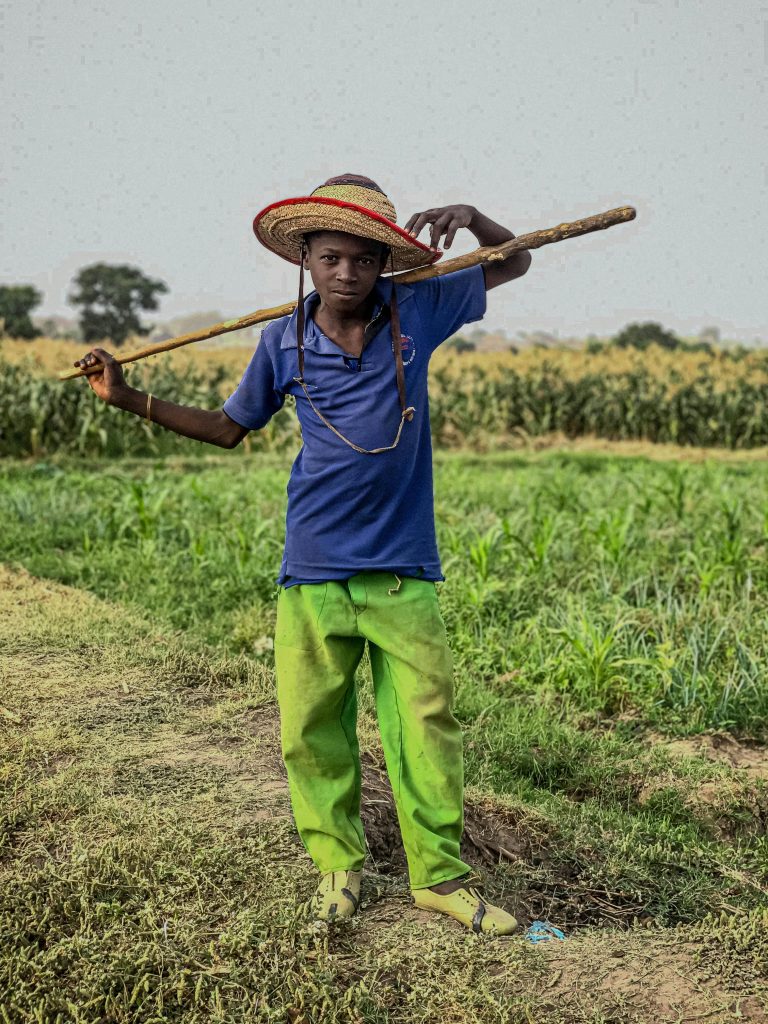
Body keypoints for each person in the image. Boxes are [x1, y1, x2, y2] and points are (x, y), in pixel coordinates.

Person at [75, 174, 531, 935]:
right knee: (311, 726)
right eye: (329, 258)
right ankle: (338, 868)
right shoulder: (280, 342)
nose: (346, 273)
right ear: (305, 261)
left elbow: (512, 263)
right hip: (314, 567)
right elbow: (229, 428)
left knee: (425, 722)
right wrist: (127, 398)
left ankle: (440, 878)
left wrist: (476, 216)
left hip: (402, 569)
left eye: (362, 259)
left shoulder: (421, 308)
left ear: (386, 263)